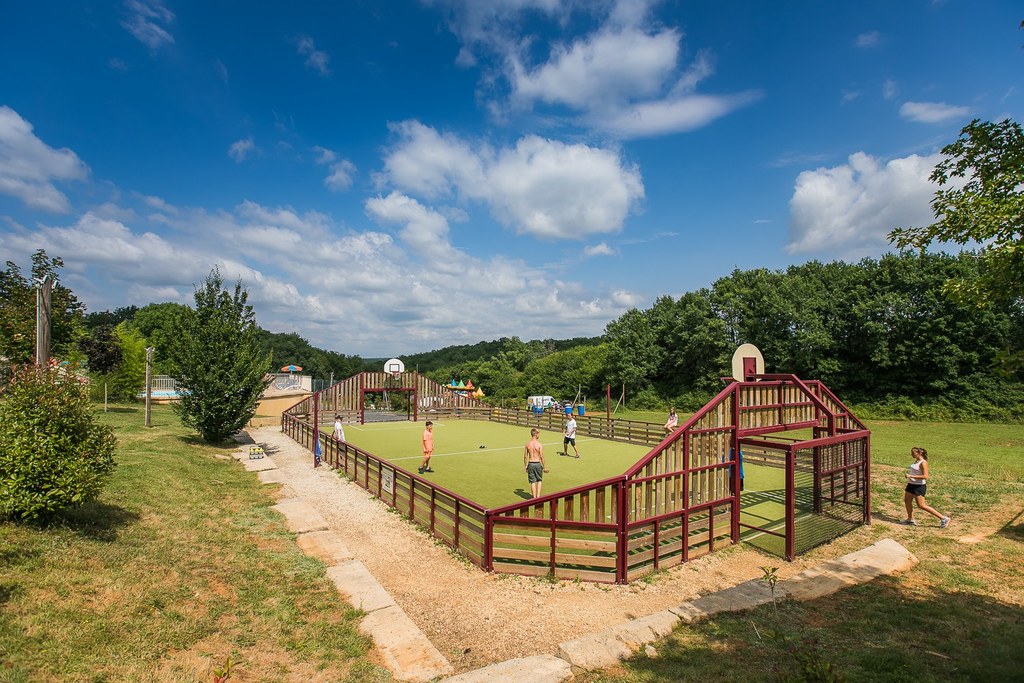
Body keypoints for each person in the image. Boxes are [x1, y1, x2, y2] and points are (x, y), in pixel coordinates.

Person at [901, 446, 950, 528]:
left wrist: (911, 476)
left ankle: (943, 518)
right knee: (907, 501)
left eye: (913, 453)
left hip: (919, 486)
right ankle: (910, 519)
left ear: (920, 453)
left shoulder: (923, 463)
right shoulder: (916, 461)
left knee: (921, 505)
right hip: (911, 485)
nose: (912, 455)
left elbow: (925, 476)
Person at [524, 428, 548, 499]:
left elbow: (525, 456)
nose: (538, 435)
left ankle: (534, 498)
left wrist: (526, 466)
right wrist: (544, 466)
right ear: (535, 434)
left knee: (532, 482)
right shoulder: (539, 444)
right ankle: (538, 496)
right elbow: (541, 456)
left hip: (530, 463)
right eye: (538, 434)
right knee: (539, 480)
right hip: (537, 463)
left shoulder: (527, 444)